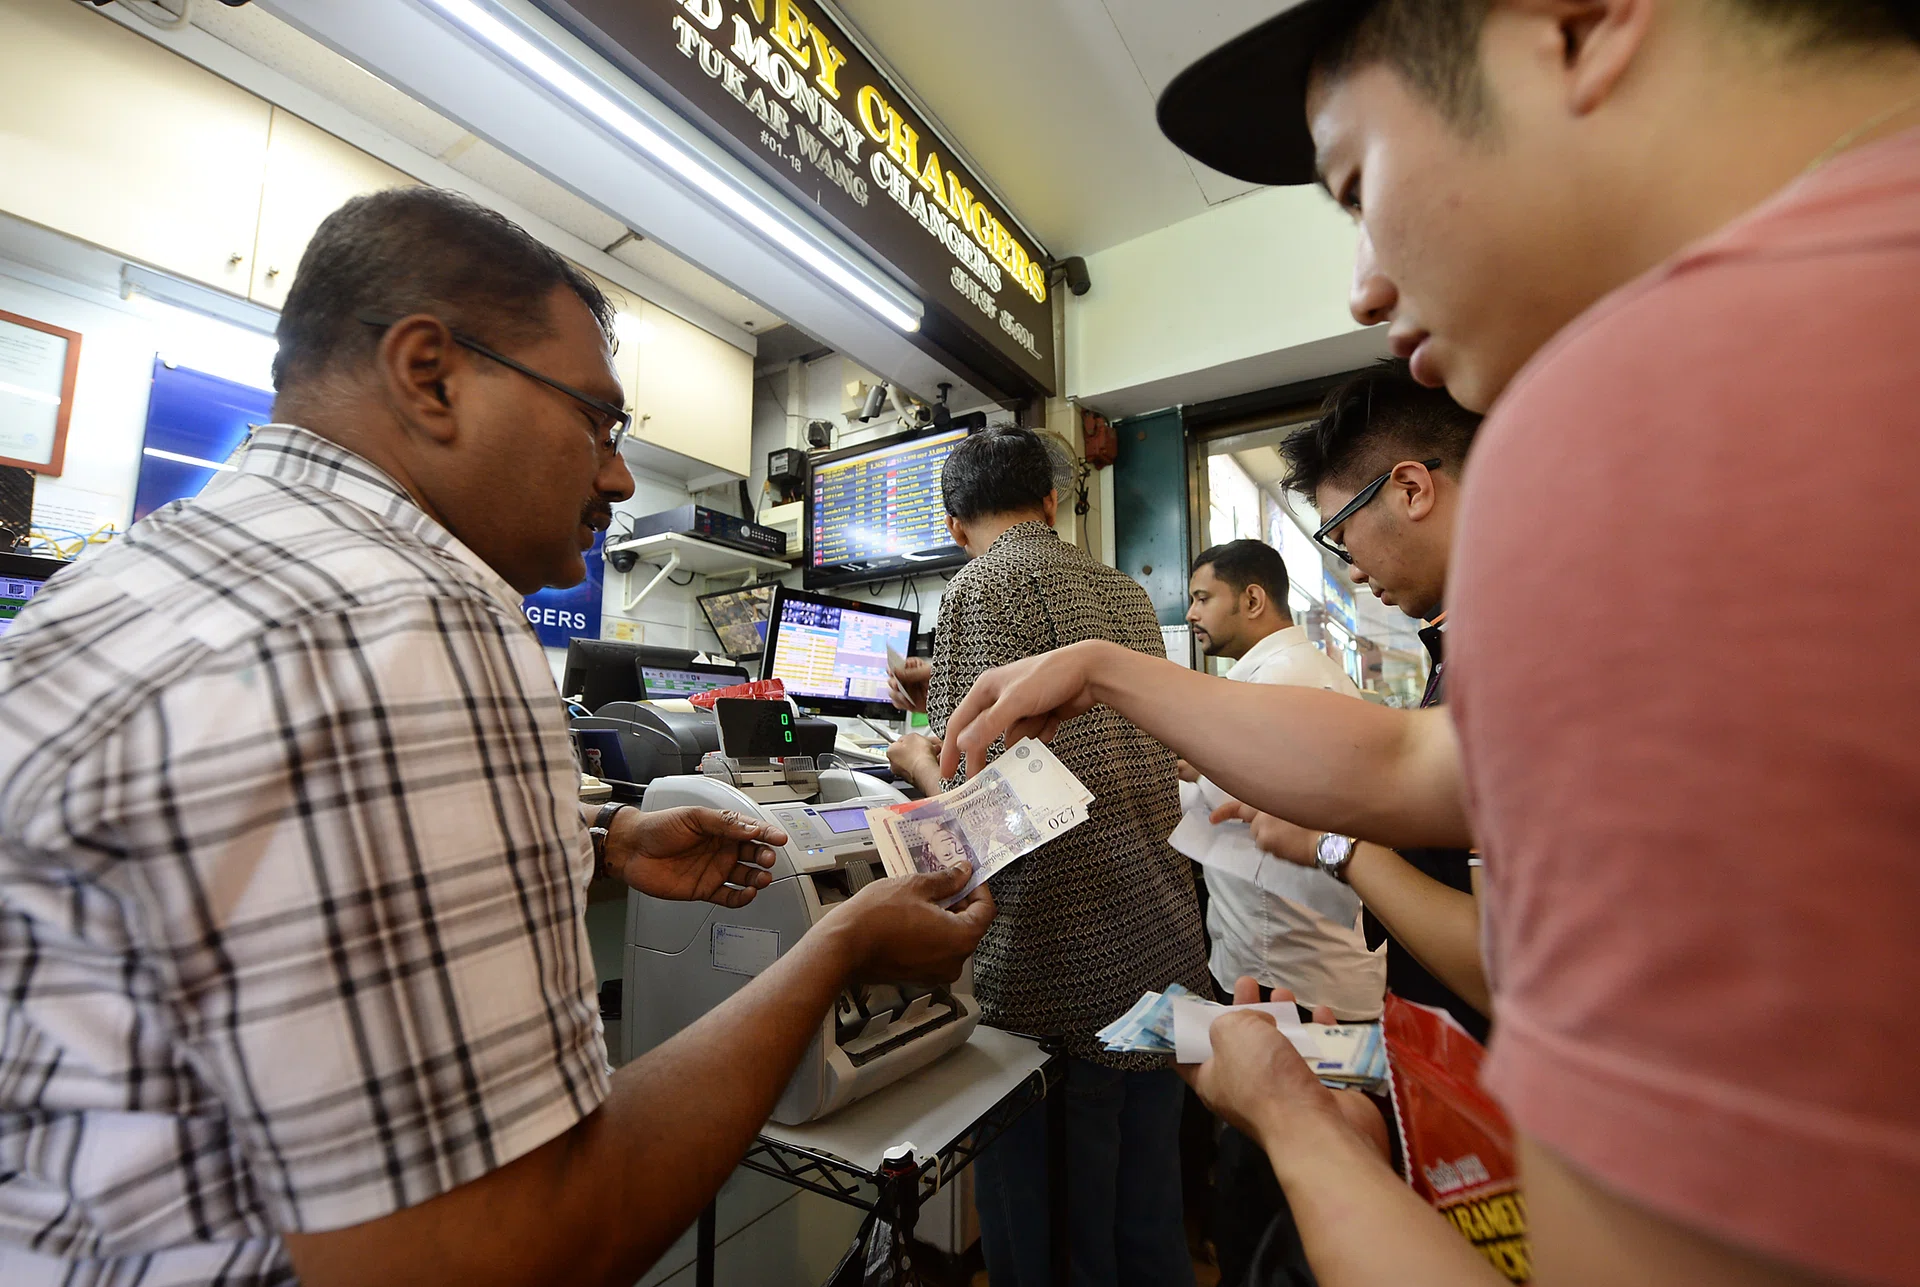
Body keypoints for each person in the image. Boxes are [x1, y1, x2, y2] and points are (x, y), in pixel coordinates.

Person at [938, 1, 1920, 1284]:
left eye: (1357, 185)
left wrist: (1293, 1118)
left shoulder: (1667, 408)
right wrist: (1113, 668)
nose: (1363, 283)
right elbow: (1421, 765)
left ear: (1576, 24)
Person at [0, 187, 993, 1287]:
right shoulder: (418, 612)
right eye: (598, 422)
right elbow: (515, 1248)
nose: (615, 475)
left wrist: (601, 839)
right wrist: (838, 952)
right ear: (431, 374)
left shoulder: (108, 581)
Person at [886, 425, 1210, 1287]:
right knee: (1147, 1213)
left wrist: (915, 758)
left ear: (956, 525)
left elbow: (972, 806)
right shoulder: (1127, 596)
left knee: (1054, 1241)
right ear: (1051, 500)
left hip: (1056, 961)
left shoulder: (975, 586)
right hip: (1162, 940)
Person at [1213, 363, 1491, 1033]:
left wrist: (1336, 844)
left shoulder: (1511, 656)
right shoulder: (1465, 640)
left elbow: (1502, 963)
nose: (1355, 571)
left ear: (1410, 487)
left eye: (1342, 533)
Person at [1183, 538, 1383, 1287]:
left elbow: (1255, 816)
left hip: (1296, 987)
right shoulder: (1289, 676)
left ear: (1253, 599)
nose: (1194, 613)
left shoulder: (1280, 687)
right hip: (1301, 976)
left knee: (1269, 1213)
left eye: (1204, 598)